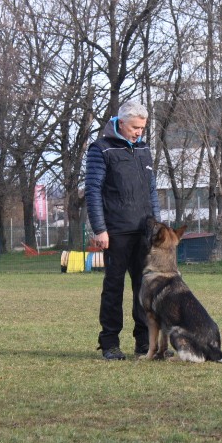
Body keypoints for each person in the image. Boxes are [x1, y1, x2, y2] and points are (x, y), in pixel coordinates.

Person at [85, 101, 161, 360]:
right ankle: (109, 343)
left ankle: (143, 343)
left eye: (142, 128)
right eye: (135, 127)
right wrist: (99, 229)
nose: (139, 132)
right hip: (115, 231)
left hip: (144, 231)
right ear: (120, 122)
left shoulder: (144, 150)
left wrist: (157, 226)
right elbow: (93, 191)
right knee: (114, 287)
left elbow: (151, 190)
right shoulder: (100, 149)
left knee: (144, 288)